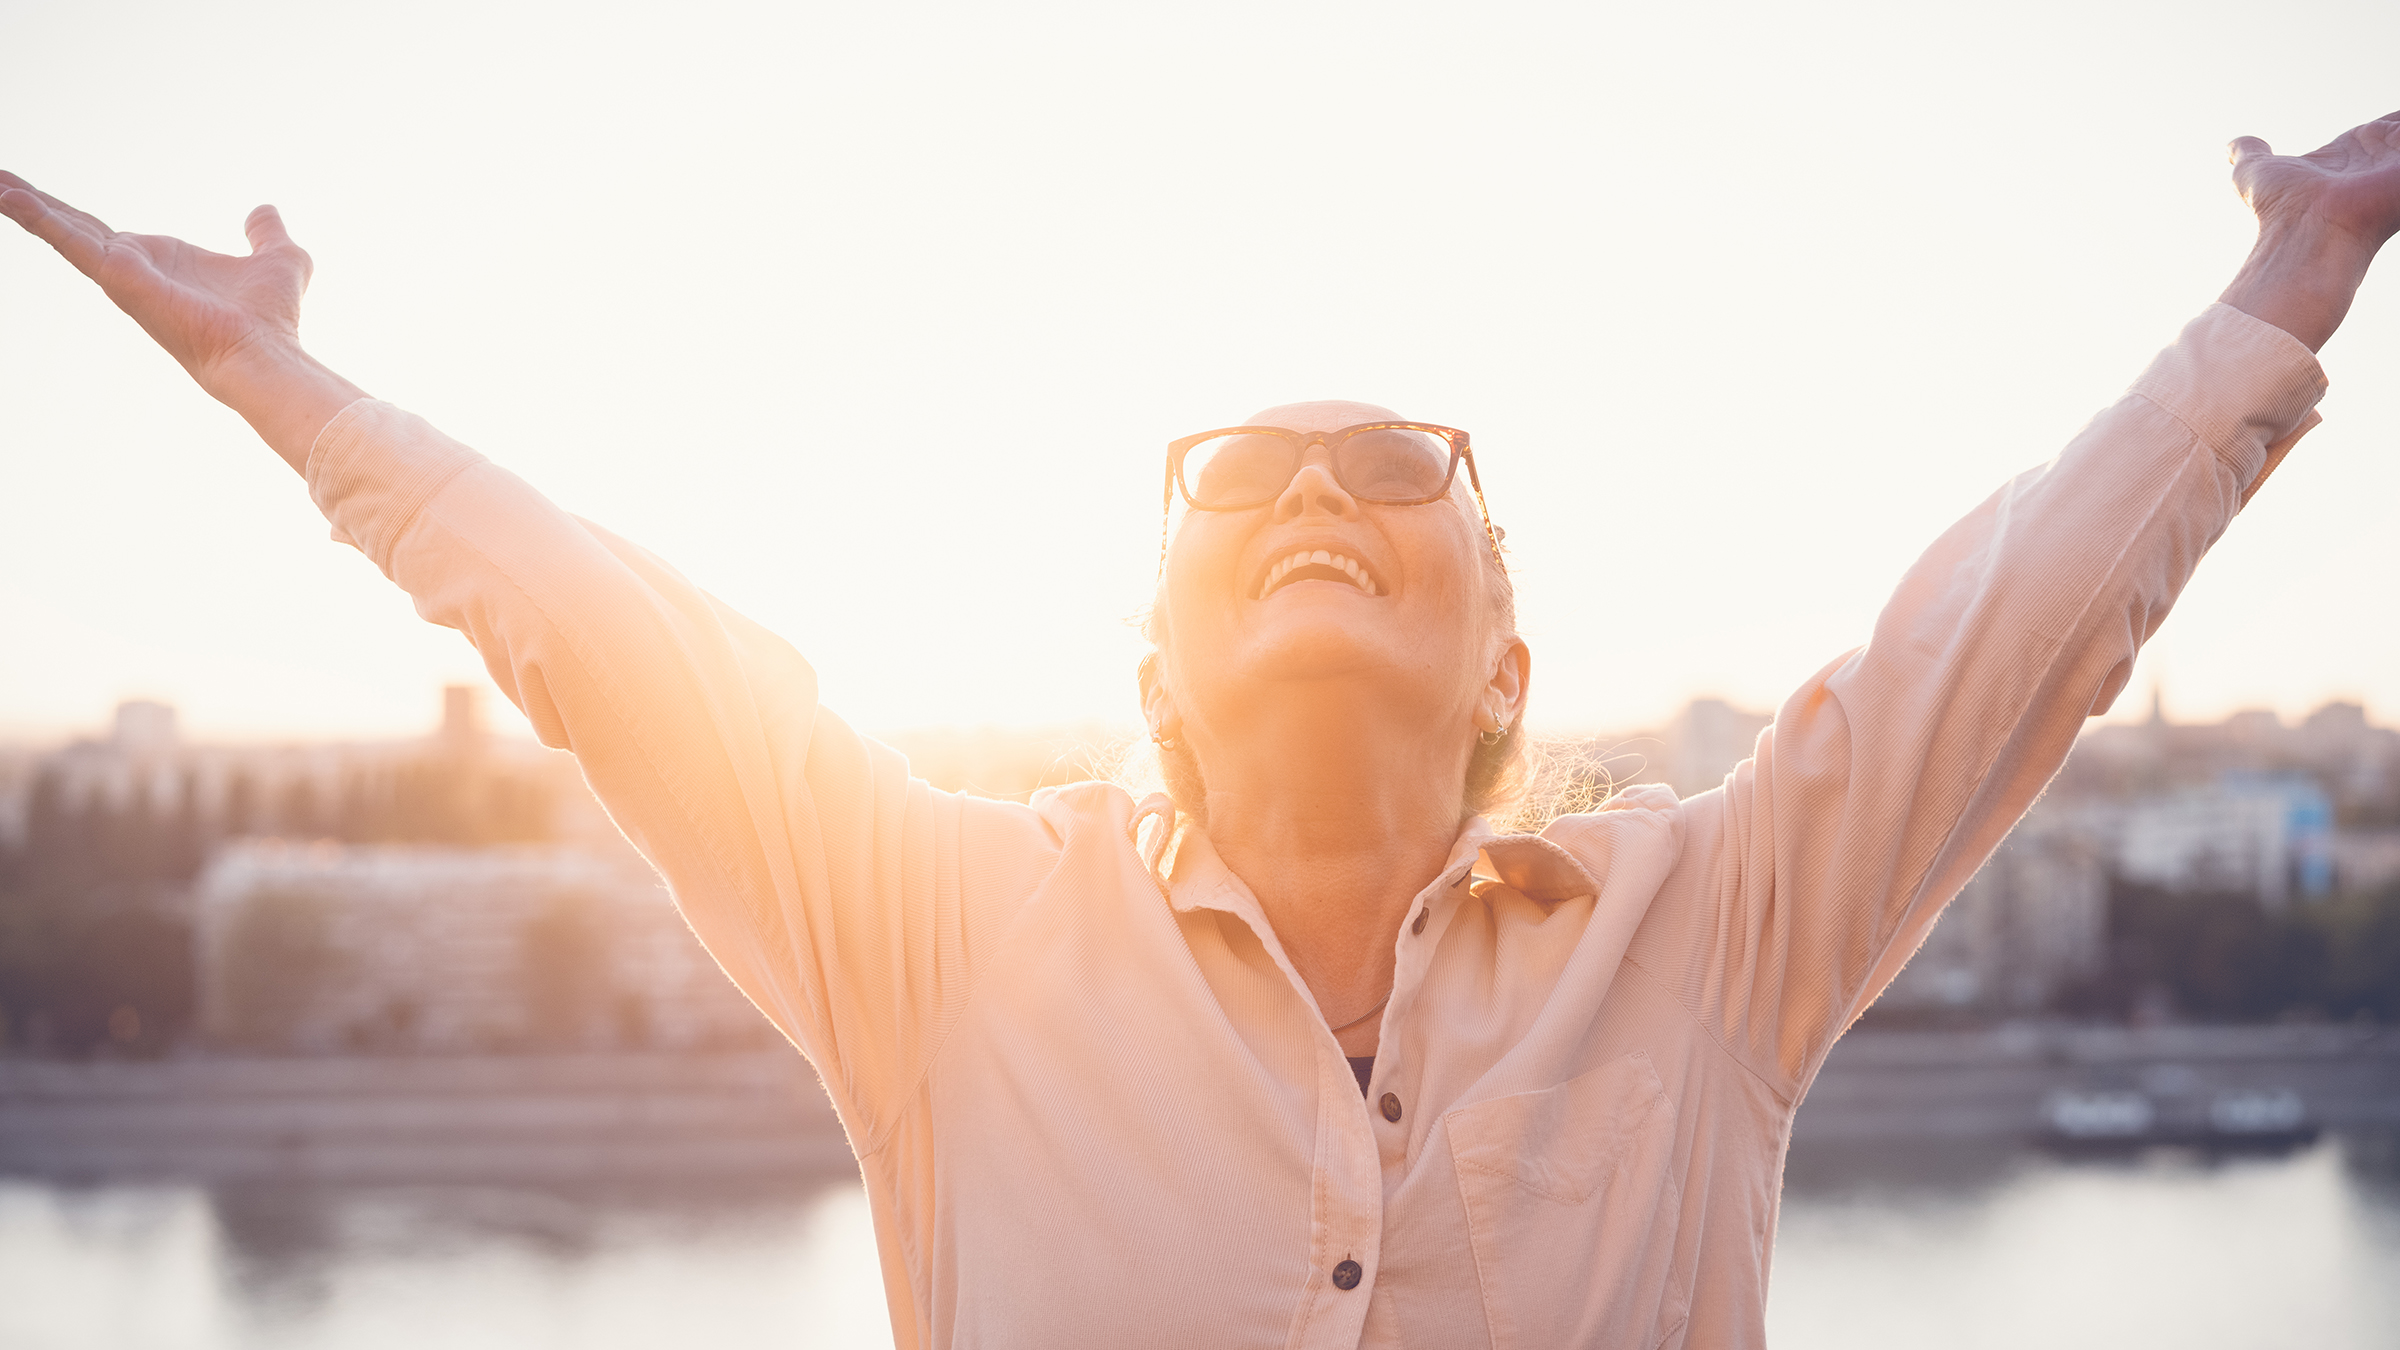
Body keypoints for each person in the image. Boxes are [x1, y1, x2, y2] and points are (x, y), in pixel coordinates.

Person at [3, 110, 2393, 1349]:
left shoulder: (1717, 927)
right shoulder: (935, 940)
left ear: (1507, 673)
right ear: (1151, 673)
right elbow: (610, 647)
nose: (1314, 502)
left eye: (1393, 475)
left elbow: (2021, 623)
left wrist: (2295, 269)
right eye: (1238, 483)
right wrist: (282, 382)